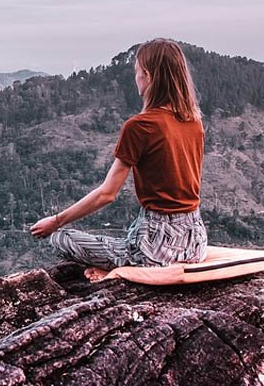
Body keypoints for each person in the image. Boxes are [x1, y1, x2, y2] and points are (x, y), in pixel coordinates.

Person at [30, 38, 207, 270]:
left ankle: (119, 267)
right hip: (195, 243)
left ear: (148, 76)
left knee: (61, 239)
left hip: (155, 248)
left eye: (137, 72)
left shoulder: (140, 126)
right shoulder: (194, 121)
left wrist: (55, 221)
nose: (136, 78)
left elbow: (107, 194)